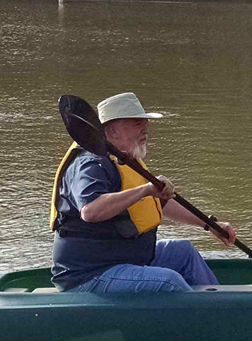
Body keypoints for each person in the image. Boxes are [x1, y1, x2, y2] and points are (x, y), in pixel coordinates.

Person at [49, 92, 236, 292]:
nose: (145, 129)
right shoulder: (91, 163)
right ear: (112, 132)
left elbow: (160, 202)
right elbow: (91, 210)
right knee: (169, 282)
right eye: (137, 123)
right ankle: (205, 320)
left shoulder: (124, 159)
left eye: (145, 123)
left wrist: (210, 225)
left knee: (183, 252)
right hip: (89, 275)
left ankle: (218, 307)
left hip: (126, 260)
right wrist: (145, 190)